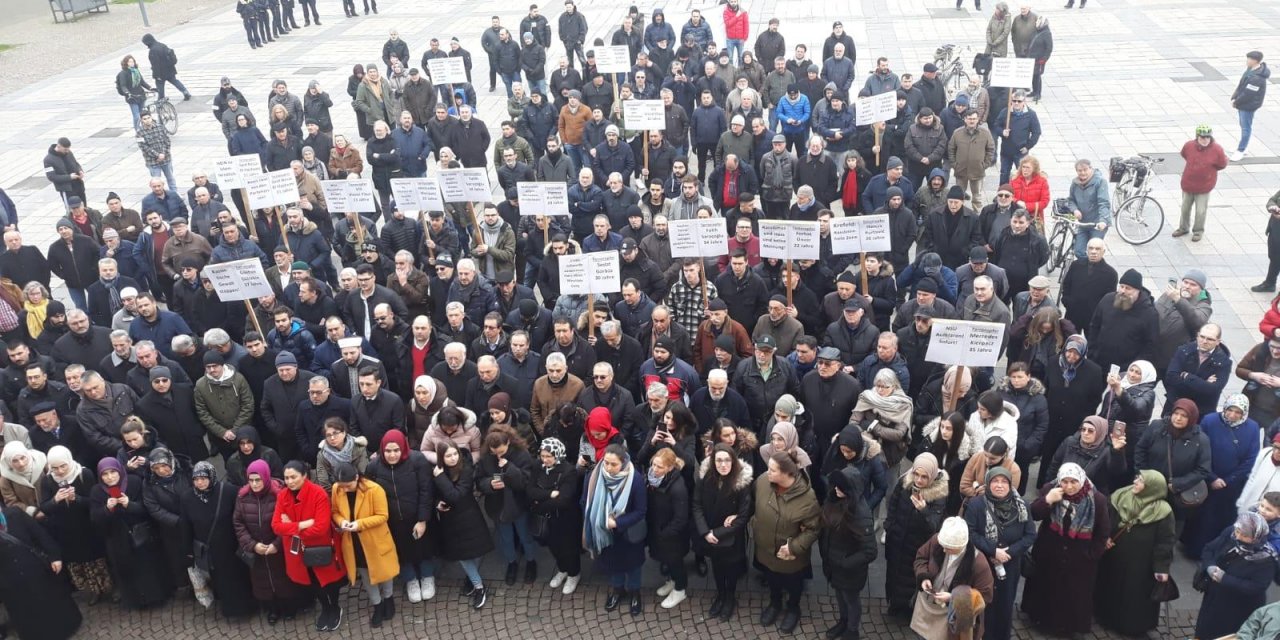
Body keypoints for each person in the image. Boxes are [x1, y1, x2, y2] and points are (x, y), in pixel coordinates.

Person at [1020, 462, 1111, 636]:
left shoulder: (1097, 500)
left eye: (1073, 482)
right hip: (1049, 553)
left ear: (1081, 480)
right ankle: (1042, 620)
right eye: (1065, 481)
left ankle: (1067, 627)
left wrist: (1091, 555)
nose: (1069, 487)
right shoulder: (1051, 489)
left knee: (1073, 594)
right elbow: (1034, 514)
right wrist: (1047, 500)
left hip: (1080, 559)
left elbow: (1103, 532)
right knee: (1047, 588)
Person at [1094, 469, 1176, 636]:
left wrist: (1161, 568)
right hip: (1115, 556)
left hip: (1141, 565)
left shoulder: (1163, 512)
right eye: (1137, 478)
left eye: (1141, 481)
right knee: (1111, 587)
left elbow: (1165, 542)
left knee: (1134, 596)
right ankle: (1107, 618)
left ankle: (1131, 626)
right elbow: (1105, 519)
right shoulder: (1120, 496)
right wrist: (1105, 537)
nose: (1136, 482)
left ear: (1152, 488)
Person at [89, 457, 173, 609]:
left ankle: (157, 596)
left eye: (113, 472)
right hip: (117, 539)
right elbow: (95, 518)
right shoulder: (97, 491)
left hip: (140, 534)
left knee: (148, 567)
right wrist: (106, 509)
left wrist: (129, 505)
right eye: (105, 474)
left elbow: (147, 508)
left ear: (119, 471)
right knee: (128, 571)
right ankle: (138, 601)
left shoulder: (133, 482)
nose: (110, 477)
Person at [960, 466, 1033, 640]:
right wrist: (993, 550)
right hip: (983, 564)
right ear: (988, 483)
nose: (999, 485)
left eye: (1004, 482)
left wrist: (1009, 552)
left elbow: (1030, 534)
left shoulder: (1022, 505)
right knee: (983, 603)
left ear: (1010, 484)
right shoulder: (977, 505)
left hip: (1010, 565)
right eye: (995, 481)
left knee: (1005, 604)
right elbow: (970, 532)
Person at [1184, 394, 1260, 560]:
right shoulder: (1210, 420)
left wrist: (1228, 480)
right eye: (1229, 410)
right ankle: (1194, 550)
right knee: (1201, 518)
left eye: (1238, 412)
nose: (1232, 415)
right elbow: (1199, 448)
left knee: (1222, 519)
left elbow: (1251, 459)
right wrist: (1212, 477)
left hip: (1231, 485)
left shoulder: (1252, 427)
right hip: (1206, 478)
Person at [272, 460, 346, 631]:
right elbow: (276, 526)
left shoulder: (318, 494)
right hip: (298, 549)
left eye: (293, 477)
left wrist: (290, 526)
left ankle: (334, 607)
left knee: (329, 582)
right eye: (286, 478)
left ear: (304, 476)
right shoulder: (282, 495)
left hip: (320, 546)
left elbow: (320, 527)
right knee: (312, 580)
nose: (290, 481)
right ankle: (326, 608)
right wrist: (302, 525)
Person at [366, 430, 436, 604]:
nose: (392, 455)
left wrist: (422, 519)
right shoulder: (374, 467)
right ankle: (410, 580)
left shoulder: (417, 460)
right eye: (388, 451)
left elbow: (426, 491)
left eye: (396, 450)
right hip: (392, 521)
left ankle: (427, 576)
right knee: (400, 551)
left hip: (416, 516)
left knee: (423, 548)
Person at [233, 459, 305, 623]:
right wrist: (252, 545)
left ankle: (289, 608)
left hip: (278, 548)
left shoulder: (279, 494)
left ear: (265, 478)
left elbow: (290, 522)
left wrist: (276, 544)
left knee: (284, 580)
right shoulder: (242, 497)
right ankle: (272, 609)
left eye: (258, 480)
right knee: (262, 582)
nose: (255, 484)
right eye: (251, 480)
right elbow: (238, 523)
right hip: (258, 549)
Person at [181, 461, 256, 617]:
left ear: (211, 476)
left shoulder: (228, 491)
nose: (199, 482)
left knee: (239, 578)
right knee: (221, 581)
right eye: (196, 479)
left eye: (203, 478)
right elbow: (186, 525)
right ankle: (230, 611)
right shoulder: (187, 498)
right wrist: (189, 550)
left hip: (231, 546)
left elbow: (241, 515)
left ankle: (248, 608)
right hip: (210, 551)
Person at [0, 503, 83, 640]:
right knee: (26, 610)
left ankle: (66, 627)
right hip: (9, 579)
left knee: (51, 600)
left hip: (34, 566)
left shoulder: (14, 513)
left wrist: (54, 556)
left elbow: (39, 533)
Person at [330, 462, 399, 628]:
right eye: (342, 486)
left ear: (356, 477)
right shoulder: (336, 489)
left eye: (348, 486)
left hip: (375, 539)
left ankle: (388, 598)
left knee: (384, 571)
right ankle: (377, 604)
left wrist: (359, 524)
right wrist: (343, 521)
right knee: (365, 573)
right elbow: (335, 512)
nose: (345, 489)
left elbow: (383, 516)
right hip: (353, 541)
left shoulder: (374, 490)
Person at [582, 442, 647, 615]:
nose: (609, 468)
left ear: (623, 463)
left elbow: (640, 511)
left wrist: (618, 523)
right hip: (603, 533)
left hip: (627, 534)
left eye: (614, 464)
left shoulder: (636, 480)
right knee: (612, 565)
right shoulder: (595, 476)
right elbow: (585, 500)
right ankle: (618, 590)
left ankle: (635, 592)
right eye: (606, 463)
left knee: (633, 566)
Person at [693, 442, 753, 621]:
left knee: (731, 569)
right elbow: (696, 505)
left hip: (730, 536)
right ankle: (720, 595)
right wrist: (705, 531)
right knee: (717, 567)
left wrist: (716, 533)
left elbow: (743, 517)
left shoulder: (741, 483)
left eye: (727, 460)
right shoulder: (706, 479)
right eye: (719, 460)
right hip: (710, 533)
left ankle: (729, 598)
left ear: (733, 461)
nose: (723, 465)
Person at [1194, 511, 1279, 639]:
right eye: (1237, 531)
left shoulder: (1266, 560)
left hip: (1238, 607)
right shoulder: (1231, 533)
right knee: (1204, 627)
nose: (1238, 536)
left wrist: (1224, 578)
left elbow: (1257, 587)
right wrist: (1209, 566)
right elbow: (1209, 549)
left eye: (1244, 535)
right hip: (1214, 597)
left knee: (1224, 633)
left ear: (1256, 538)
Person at [883, 452, 948, 617]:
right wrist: (889, 527)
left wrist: (923, 511)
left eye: (924, 477)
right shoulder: (905, 483)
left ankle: (908, 609)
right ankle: (894, 603)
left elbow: (933, 527)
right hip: (897, 541)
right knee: (893, 575)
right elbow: (893, 506)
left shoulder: (938, 495)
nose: (919, 480)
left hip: (916, 546)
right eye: (916, 475)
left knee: (910, 580)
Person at [432, 440, 495, 609]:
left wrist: (439, 478)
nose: (452, 459)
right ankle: (478, 585)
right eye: (448, 455)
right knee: (463, 556)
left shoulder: (465, 470)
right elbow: (436, 494)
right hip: (450, 520)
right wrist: (437, 503)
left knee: (474, 552)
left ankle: (474, 581)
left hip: (469, 517)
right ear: (441, 457)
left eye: (454, 454)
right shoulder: (439, 471)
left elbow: (456, 495)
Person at [910, 516, 995, 639]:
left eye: (949, 548)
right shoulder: (937, 541)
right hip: (927, 608)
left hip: (953, 618)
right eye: (943, 545)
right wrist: (924, 577)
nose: (943, 550)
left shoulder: (979, 563)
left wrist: (953, 597)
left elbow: (985, 596)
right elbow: (921, 558)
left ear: (961, 545)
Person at [818, 466, 876, 640]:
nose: (836, 489)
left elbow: (870, 551)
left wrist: (845, 562)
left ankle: (852, 630)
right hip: (834, 563)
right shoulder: (834, 500)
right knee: (840, 596)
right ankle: (843, 622)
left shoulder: (861, 513)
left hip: (849, 569)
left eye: (840, 487)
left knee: (850, 600)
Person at [526, 437, 583, 595]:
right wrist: (549, 494)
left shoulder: (568, 471)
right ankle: (563, 569)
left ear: (557, 455)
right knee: (553, 547)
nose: (545, 460)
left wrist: (539, 504)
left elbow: (563, 500)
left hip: (565, 519)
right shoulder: (538, 466)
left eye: (549, 456)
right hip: (546, 519)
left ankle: (573, 573)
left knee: (568, 548)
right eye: (543, 456)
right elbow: (530, 490)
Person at [645, 447, 691, 609]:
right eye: (654, 465)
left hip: (671, 535)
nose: (654, 470)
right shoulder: (654, 479)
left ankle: (680, 589)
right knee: (668, 561)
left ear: (670, 468)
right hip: (659, 528)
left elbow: (681, 518)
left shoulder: (678, 488)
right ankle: (672, 581)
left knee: (675, 562)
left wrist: (664, 533)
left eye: (660, 467)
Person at [1175, 124, 1229, 241]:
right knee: (1185, 208)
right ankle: (1183, 228)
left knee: (1200, 211)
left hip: (1204, 187)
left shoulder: (1217, 150)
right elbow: (1184, 154)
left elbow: (1222, 164)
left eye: (1207, 137)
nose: (1205, 140)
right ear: (1197, 137)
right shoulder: (1189, 146)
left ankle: (1198, 231)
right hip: (1188, 184)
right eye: (1202, 137)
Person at [1230, 51, 1269, 162]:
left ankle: (1241, 150)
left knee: (1246, 127)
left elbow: (1248, 93)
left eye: (1248, 59)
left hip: (1248, 105)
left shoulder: (1257, 77)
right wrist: (1235, 95)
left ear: (1255, 61)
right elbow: (1242, 85)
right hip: (1243, 103)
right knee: (1243, 125)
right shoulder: (1250, 70)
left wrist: (1237, 102)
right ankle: (1244, 145)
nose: (1247, 61)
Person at [1066, 159, 1110, 258]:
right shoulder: (1075, 183)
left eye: (1085, 170)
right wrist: (1075, 210)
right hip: (1083, 222)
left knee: (1094, 252)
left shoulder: (1100, 182)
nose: (1082, 173)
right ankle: (1087, 270)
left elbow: (1104, 203)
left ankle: (1094, 270)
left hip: (1097, 223)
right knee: (1079, 251)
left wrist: (1103, 221)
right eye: (1079, 170)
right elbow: (1071, 200)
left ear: (1091, 169)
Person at [315, 417, 369, 491]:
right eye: (328, 435)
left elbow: (363, 473)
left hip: (359, 488)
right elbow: (323, 480)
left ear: (344, 432)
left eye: (335, 433)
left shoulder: (359, 448)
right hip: (336, 491)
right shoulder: (322, 455)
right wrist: (336, 494)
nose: (332, 438)